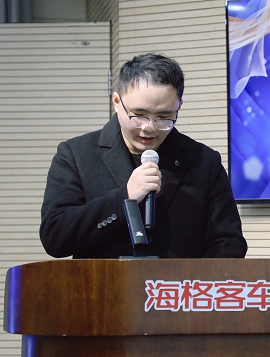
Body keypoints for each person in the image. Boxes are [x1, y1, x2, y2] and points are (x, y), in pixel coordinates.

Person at [39, 53, 247, 259]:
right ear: (117, 101)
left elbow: (229, 243)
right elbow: (55, 236)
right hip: (102, 281)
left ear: (178, 107)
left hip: (180, 282)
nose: (149, 128)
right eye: (138, 115)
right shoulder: (76, 154)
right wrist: (125, 196)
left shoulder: (204, 162)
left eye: (164, 116)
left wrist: (192, 279)